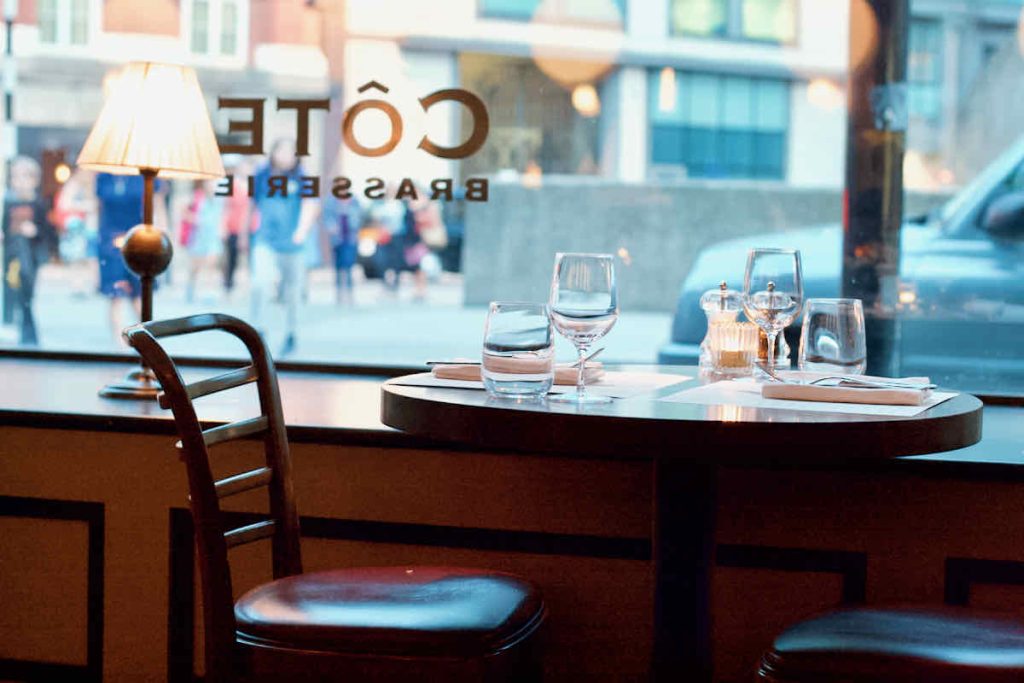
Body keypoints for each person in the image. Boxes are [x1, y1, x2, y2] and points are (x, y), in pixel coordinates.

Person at [249, 138, 318, 357]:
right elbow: (253, 205)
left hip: (292, 244)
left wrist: (302, 231)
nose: (286, 156)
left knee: (292, 291)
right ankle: (257, 329)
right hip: (265, 240)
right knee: (261, 282)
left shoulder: (302, 176)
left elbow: (310, 205)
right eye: (282, 150)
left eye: (291, 152)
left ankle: (292, 332)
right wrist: (245, 233)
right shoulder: (262, 174)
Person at [95, 172, 166, 345]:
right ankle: (120, 346)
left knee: (139, 294)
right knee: (115, 294)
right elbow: (98, 208)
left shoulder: (145, 176)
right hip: (110, 240)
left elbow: (158, 207)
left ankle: (146, 342)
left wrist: (162, 236)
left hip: (139, 239)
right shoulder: (104, 177)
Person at [2, 156, 55, 346]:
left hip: (30, 258)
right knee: (11, 291)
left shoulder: (38, 204)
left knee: (26, 296)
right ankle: (16, 327)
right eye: (15, 177)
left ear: (34, 180)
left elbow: (48, 233)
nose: (19, 182)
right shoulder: (7, 202)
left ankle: (28, 334)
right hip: (11, 256)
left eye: (24, 177)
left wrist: (35, 232)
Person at [181, 179, 223, 304]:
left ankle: (209, 293)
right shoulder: (196, 197)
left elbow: (222, 214)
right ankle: (190, 288)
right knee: (195, 267)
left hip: (212, 237)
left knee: (211, 265)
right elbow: (184, 212)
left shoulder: (219, 199)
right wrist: (195, 219)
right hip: (197, 237)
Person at [323, 194, 362, 305]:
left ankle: (349, 294)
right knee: (338, 267)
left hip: (351, 238)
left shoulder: (354, 201)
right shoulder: (331, 201)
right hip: (337, 239)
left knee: (349, 266)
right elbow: (327, 217)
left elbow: (359, 216)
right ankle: (339, 293)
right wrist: (331, 227)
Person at [221, 157, 251, 297]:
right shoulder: (232, 185)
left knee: (253, 258)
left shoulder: (255, 185)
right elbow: (225, 207)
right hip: (233, 226)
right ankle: (228, 286)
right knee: (232, 258)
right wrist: (223, 226)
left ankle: (254, 286)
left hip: (251, 227)